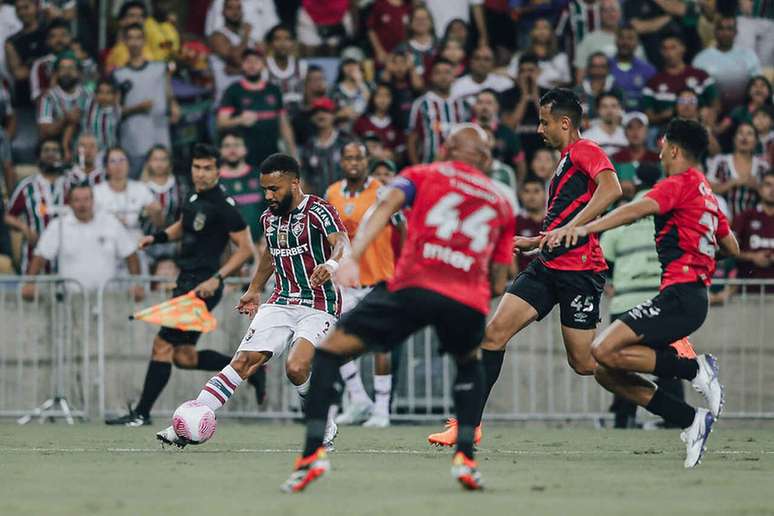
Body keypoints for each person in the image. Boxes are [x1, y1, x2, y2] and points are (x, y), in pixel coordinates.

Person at [281, 124, 514, 493]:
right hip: (465, 296)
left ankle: (311, 456)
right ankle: (466, 460)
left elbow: (385, 205)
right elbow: (500, 280)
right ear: (485, 160)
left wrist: (353, 257)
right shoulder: (502, 201)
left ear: (446, 148)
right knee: (470, 365)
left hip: (414, 285)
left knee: (328, 355)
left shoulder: (422, 174)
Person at [427, 89, 622, 447]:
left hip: (580, 270)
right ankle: (468, 424)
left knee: (583, 362)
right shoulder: (564, 161)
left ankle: (661, 353)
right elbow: (566, 216)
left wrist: (570, 229)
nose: (538, 129)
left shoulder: (585, 150)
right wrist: (536, 241)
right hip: (547, 266)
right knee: (493, 334)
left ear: (564, 123)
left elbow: (612, 189)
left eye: (544, 121)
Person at [558, 118, 740, 468]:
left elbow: (633, 210)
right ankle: (691, 419)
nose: (658, 154)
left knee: (601, 349)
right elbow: (730, 245)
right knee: (605, 369)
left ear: (673, 149)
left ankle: (696, 369)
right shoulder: (706, 191)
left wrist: (584, 228)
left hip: (679, 296)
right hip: (688, 298)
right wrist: (699, 251)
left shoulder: (678, 183)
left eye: (661, 148)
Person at [155, 152, 349, 450]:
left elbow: (342, 242)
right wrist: (255, 289)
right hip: (280, 301)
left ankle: (322, 422)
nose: (268, 195)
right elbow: (271, 254)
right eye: (265, 190)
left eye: (275, 189)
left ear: (294, 184)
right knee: (243, 362)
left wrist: (331, 265)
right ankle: (187, 422)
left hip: (318, 304)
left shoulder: (319, 210)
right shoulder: (268, 218)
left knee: (296, 368)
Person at [105, 144, 257, 427]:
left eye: (207, 168)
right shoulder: (194, 195)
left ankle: (141, 413)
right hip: (185, 282)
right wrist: (159, 238)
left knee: (161, 345)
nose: (201, 173)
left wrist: (217, 278)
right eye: (197, 167)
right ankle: (248, 370)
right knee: (183, 357)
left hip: (201, 288)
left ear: (217, 170)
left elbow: (246, 249)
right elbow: (183, 225)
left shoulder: (225, 206)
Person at [327, 142, 405, 428]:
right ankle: (359, 399)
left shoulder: (383, 192)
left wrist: (404, 266)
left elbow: (401, 225)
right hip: (347, 281)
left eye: (358, 158)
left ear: (366, 160)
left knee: (380, 344)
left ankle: (381, 409)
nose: (353, 163)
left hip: (379, 278)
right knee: (334, 338)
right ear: (342, 161)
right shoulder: (332, 193)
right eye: (348, 158)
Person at [600, 163, 679, 428]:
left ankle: (624, 418)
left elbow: (603, 261)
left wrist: (607, 285)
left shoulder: (621, 217)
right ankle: (673, 418)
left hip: (626, 303)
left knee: (620, 363)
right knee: (668, 360)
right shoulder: (669, 214)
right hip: (662, 301)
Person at [21, 183, 143, 300]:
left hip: (107, 299)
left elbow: (131, 254)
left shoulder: (110, 222)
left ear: (93, 201)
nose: (82, 204)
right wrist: (30, 283)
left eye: (86, 199)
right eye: (77, 200)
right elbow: (40, 256)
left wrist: (137, 284)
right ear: (69, 203)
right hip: (70, 301)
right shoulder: (58, 225)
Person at [113, 23, 181, 179]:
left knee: (162, 182)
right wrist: (136, 108)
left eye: (138, 37)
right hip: (133, 139)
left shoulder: (160, 69)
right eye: (130, 38)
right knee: (135, 183)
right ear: (124, 41)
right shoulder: (119, 75)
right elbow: (115, 111)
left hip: (159, 134)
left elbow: (169, 94)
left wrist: (174, 107)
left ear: (144, 40)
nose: (134, 42)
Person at [217, 48, 297, 168]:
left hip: (271, 154)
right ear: (242, 65)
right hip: (244, 158)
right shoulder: (233, 90)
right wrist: (240, 119)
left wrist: (293, 154)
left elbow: (284, 124)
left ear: (263, 65)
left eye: (256, 61)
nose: (252, 65)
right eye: (248, 61)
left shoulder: (273, 90)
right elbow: (221, 123)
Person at [5, 138, 68, 273]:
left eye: (55, 151)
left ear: (62, 157)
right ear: (38, 157)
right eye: (46, 150)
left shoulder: (71, 185)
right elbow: (7, 216)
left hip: (66, 257)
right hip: (33, 256)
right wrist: (24, 228)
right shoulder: (26, 186)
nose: (51, 154)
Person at [642, 35, 719, 132]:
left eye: (673, 48)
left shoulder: (701, 76)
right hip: (663, 130)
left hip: (698, 126)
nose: (669, 53)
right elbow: (648, 116)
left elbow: (716, 104)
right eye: (665, 49)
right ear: (661, 52)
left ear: (683, 48)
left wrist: (708, 114)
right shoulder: (653, 82)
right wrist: (662, 116)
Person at [692, 16, 761, 114]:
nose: (725, 33)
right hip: (710, 113)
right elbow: (696, 92)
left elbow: (758, 86)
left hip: (744, 114)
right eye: (721, 29)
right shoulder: (700, 59)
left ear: (736, 32)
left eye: (729, 29)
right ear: (715, 32)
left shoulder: (749, 55)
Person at [94, 147, 161, 247]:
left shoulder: (141, 188)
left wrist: (157, 213)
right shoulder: (96, 192)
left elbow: (159, 224)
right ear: (106, 168)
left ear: (129, 164)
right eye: (113, 161)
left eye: (122, 160)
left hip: (137, 243)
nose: (118, 165)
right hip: (106, 244)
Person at [407, 59, 468, 164]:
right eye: (438, 73)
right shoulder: (421, 104)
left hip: (457, 168)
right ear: (431, 77)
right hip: (428, 166)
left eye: (447, 72)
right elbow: (412, 139)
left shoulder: (463, 104)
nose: (443, 77)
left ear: (454, 76)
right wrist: (417, 167)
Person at [37, 51, 93, 163]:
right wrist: (65, 119)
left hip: (87, 153)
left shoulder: (88, 95)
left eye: (71, 68)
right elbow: (45, 132)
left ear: (79, 72)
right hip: (58, 156)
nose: (67, 72)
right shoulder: (48, 97)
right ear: (56, 73)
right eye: (62, 68)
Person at [707, 122, 770, 219]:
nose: (744, 137)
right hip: (724, 221)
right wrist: (732, 183)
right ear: (734, 138)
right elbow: (708, 189)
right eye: (740, 133)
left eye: (749, 134)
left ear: (756, 141)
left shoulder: (763, 166)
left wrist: (756, 186)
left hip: (754, 223)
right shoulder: (721, 162)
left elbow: (770, 194)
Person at [217, 129, 265, 249]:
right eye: (227, 146)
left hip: (262, 247)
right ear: (220, 151)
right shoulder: (213, 181)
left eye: (237, 145)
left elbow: (274, 211)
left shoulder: (260, 176)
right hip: (228, 251)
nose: (232, 150)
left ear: (245, 149)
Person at [140, 145, 183, 278]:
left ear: (169, 162)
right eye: (155, 159)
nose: (159, 163)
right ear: (148, 162)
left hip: (173, 243)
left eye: (163, 159)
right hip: (146, 243)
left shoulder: (178, 185)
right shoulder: (140, 187)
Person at [208, 0, 257, 107]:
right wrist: (246, 36)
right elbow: (234, 58)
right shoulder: (217, 36)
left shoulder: (250, 39)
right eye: (230, 8)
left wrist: (237, 70)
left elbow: (261, 63)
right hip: (225, 100)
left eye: (238, 8)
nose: (235, 12)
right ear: (222, 12)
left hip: (249, 98)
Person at [300, 97, 352, 196]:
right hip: (319, 204)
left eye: (325, 111)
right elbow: (306, 180)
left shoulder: (346, 141)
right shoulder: (308, 146)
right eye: (316, 112)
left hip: (345, 201)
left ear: (334, 115)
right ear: (311, 117)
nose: (320, 115)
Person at [472, 89, 525, 181]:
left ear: (497, 107)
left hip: (500, 182)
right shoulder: (464, 130)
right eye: (480, 102)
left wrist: (517, 189)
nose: (484, 107)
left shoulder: (507, 133)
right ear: (474, 106)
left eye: (489, 103)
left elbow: (520, 164)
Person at [733, 171, 774, 290]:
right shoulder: (745, 217)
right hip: (747, 290)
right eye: (768, 185)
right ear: (760, 189)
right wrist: (753, 257)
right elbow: (729, 250)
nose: (772, 190)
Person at [507, 18, 570, 90]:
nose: (542, 31)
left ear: (551, 32)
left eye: (545, 28)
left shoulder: (561, 57)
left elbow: (567, 81)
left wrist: (548, 83)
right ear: (532, 32)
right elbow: (511, 75)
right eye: (538, 28)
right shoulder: (520, 56)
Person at [611, 112, 660, 199]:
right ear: (625, 132)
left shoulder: (657, 158)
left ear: (647, 131)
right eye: (630, 128)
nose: (635, 132)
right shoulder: (616, 158)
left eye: (639, 127)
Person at [353, 83, 405, 163]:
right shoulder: (362, 122)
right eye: (379, 95)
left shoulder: (397, 123)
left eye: (387, 96)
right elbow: (354, 150)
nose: (383, 99)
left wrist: (391, 155)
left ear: (392, 99)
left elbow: (401, 154)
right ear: (373, 98)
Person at [609, 25, 656, 112]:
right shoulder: (605, 66)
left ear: (637, 42)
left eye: (630, 38)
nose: (625, 42)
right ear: (616, 41)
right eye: (621, 38)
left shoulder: (648, 70)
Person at [264, 24, 307, 118]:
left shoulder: (302, 66)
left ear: (293, 43)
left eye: (287, 39)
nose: (282, 43)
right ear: (270, 43)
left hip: (300, 117)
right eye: (277, 39)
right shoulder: (264, 67)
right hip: (275, 117)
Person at [573, 52, 622, 125]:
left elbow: (621, 117)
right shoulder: (577, 92)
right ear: (588, 69)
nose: (598, 70)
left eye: (602, 66)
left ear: (608, 69)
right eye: (594, 66)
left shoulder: (616, 90)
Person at [514, 176, 545, 274]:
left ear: (545, 194)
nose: (531, 196)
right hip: (522, 279)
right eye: (527, 191)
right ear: (520, 195)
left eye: (536, 191)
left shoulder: (555, 221)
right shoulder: (515, 222)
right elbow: (510, 255)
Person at [366, 0, 411, 66]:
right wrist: (379, 51)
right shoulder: (380, 4)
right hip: (384, 55)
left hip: (403, 55)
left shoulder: (408, 6)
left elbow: (411, 31)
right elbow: (371, 29)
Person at [582, 92, 628, 156]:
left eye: (613, 106)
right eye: (604, 106)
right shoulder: (586, 138)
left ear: (620, 109)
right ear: (598, 110)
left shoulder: (627, 136)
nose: (609, 110)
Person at [82, 78, 122, 152]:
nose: (104, 96)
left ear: (114, 95)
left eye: (108, 93)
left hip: (108, 151)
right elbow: (87, 86)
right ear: (96, 94)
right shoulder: (89, 104)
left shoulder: (116, 110)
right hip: (88, 150)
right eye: (100, 92)